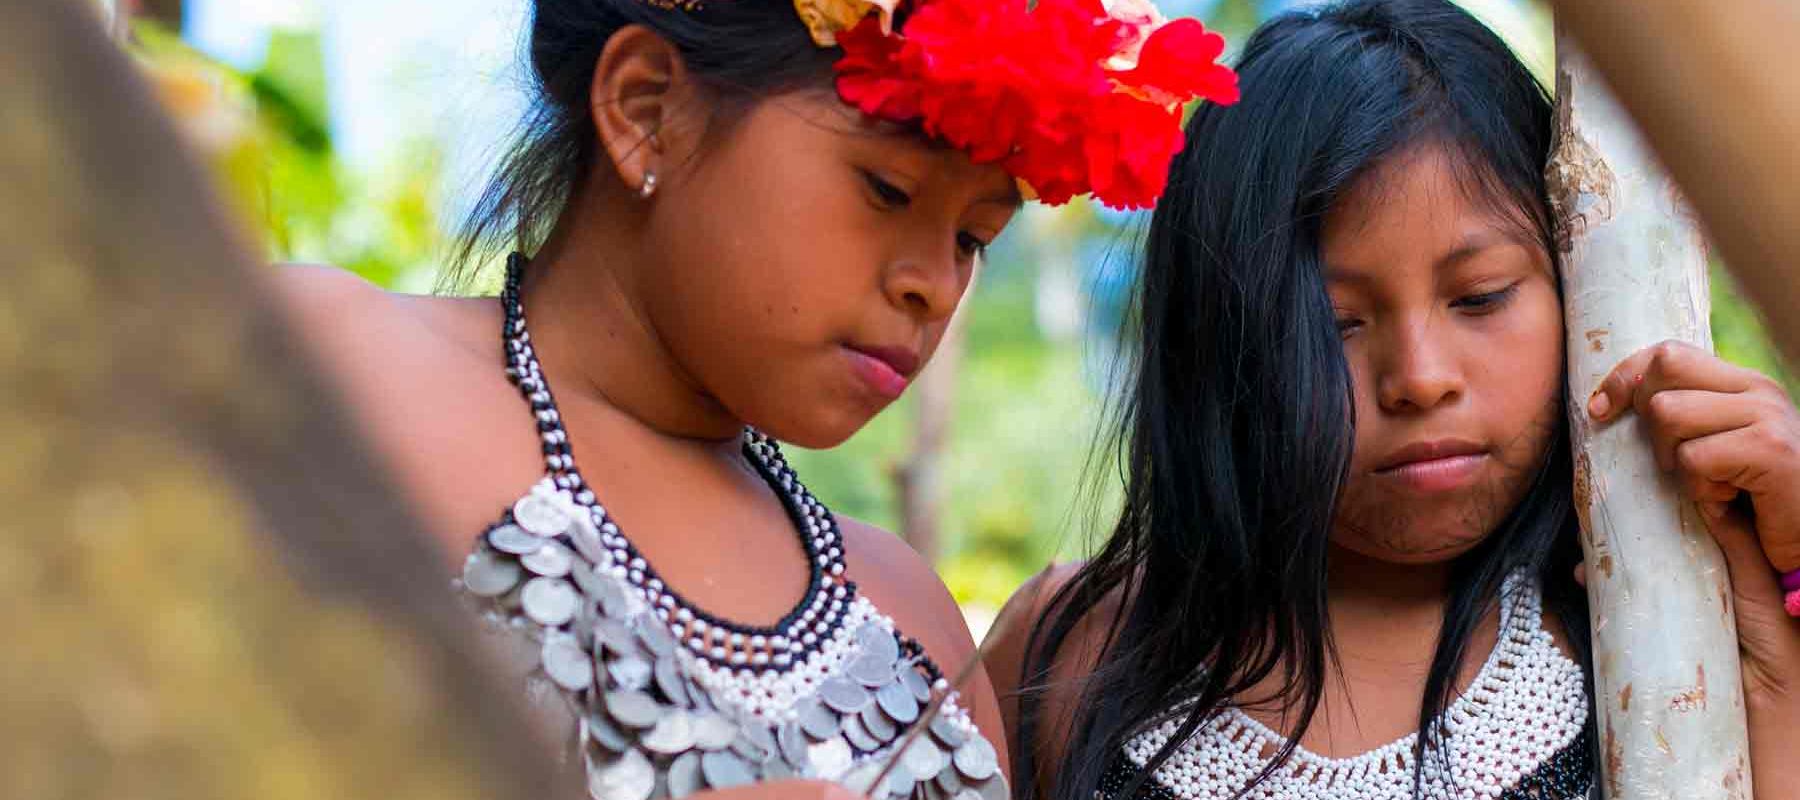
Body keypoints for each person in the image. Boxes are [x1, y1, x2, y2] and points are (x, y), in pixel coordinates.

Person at [271, 0, 1237, 797]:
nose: (934, 285)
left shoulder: (912, 620)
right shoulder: (336, 371)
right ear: (647, 109)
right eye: (888, 190)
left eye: (974, 238)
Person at [984, 1, 1800, 799]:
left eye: (1479, 297)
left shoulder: (1677, 626)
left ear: (1574, 289)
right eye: (1335, 321)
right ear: (1215, 338)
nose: (1418, 377)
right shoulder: (1069, 659)